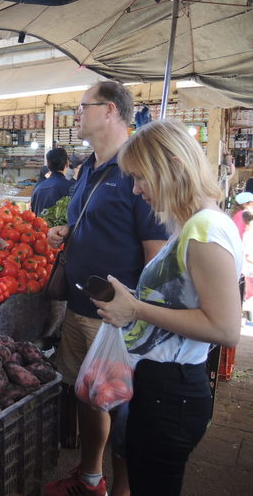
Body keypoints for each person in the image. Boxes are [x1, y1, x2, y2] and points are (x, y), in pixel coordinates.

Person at [93, 119, 242, 495]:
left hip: (171, 394)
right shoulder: (193, 226)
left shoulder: (204, 231)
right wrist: (133, 300)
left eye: (141, 178)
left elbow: (224, 328)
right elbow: (185, 298)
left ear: (173, 165)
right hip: (163, 387)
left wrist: (136, 311)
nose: (136, 190)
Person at [44, 81, 167, 496]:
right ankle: (90, 476)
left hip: (117, 318)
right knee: (87, 395)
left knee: (122, 407)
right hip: (80, 307)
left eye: (83, 106)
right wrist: (66, 231)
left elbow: (157, 257)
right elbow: (95, 225)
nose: (76, 114)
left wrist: (138, 314)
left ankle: (123, 489)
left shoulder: (140, 172)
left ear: (110, 110)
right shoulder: (86, 170)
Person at [31, 148, 73, 215]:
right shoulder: (71, 188)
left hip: (41, 225)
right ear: (67, 164)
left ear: (48, 165)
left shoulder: (38, 189)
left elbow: (33, 215)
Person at [242, 210, 253, 322]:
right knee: (249, 295)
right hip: (249, 269)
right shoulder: (249, 235)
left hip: (247, 269)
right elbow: (248, 255)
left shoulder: (247, 233)